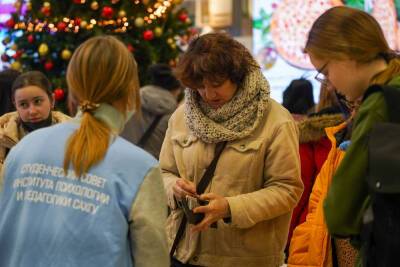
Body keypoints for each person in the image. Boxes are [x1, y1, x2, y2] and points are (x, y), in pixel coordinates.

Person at [0, 36, 169, 267]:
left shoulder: (21, 150)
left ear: (72, 88)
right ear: (130, 90)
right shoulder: (140, 168)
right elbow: (152, 260)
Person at [160, 32, 303, 267]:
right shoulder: (181, 116)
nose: (208, 94)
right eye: (200, 86)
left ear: (237, 75)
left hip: (245, 259)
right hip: (183, 252)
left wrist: (230, 207)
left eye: (216, 84)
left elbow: (287, 190)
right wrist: (174, 188)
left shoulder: (275, 120)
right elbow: (163, 172)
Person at [305, 6, 400, 266]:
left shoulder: (380, 103)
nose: (331, 85)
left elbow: (339, 212)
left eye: (325, 72)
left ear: (346, 53)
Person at [286, 80, 345, 251]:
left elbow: (298, 192)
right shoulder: (359, 129)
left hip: (312, 231)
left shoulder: (309, 136)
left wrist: (286, 240)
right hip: (349, 231)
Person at [0, 71, 70, 171]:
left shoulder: (75, 133)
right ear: (15, 106)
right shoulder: (3, 136)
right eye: (23, 104)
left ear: (52, 100)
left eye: (38, 102)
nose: (32, 111)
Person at [121, 63, 182, 159]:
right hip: (146, 167)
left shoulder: (131, 100)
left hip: (119, 154)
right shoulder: (174, 117)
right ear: (175, 90)